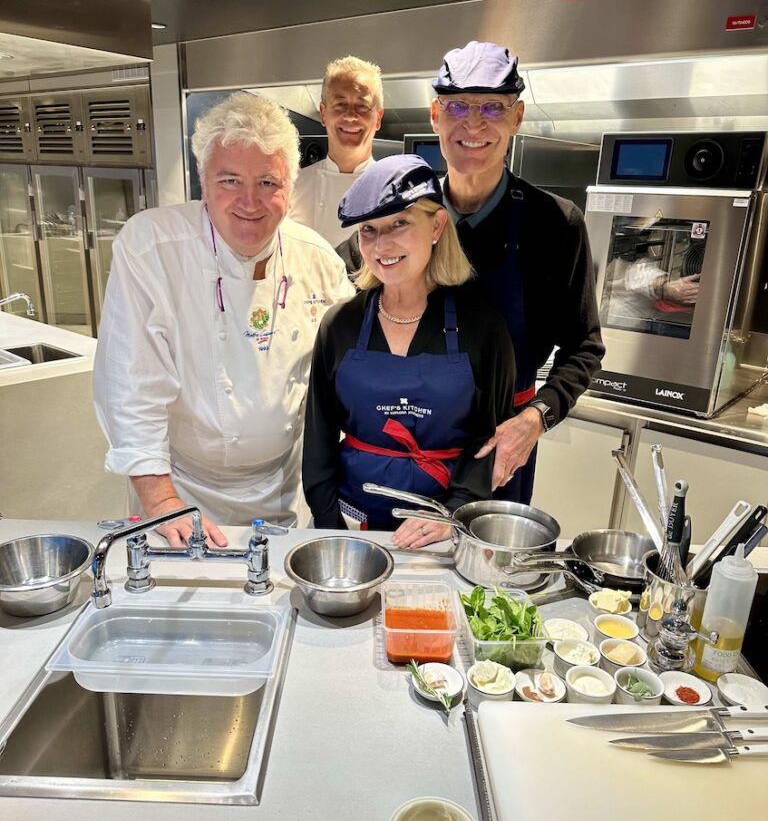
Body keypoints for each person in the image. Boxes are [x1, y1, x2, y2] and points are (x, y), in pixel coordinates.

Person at [93, 91, 352, 547]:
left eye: (268, 183)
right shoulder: (151, 246)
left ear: (290, 187)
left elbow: (352, 378)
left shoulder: (319, 262)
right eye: (230, 180)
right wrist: (161, 504)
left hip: (281, 491)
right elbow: (130, 385)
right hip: (179, 488)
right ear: (202, 180)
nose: (249, 201)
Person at [302, 155, 516, 548]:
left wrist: (453, 517)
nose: (383, 245)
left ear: (436, 226)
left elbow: (491, 439)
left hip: (443, 528)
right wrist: (330, 521)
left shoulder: (482, 327)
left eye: (400, 223)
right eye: (369, 230)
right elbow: (318, 438)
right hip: (352, 521)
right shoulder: (340, 325)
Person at [429, 40, 605, 504]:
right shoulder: (409, 211)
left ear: (517, 117)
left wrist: (537, 418)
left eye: (492, 108)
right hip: (408, 434)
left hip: (501, 444)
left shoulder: (555, 224)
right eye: (458, 106)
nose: (472, 123)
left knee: (488, 576)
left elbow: (584, 345)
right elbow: (338, 283)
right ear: (434, 115)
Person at [289, 55, 384, 248]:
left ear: (378, 118)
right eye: (340, 104)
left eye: (362, 106)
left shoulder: (392, 190)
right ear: (323, 113)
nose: (350, 115)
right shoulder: (291, 187)